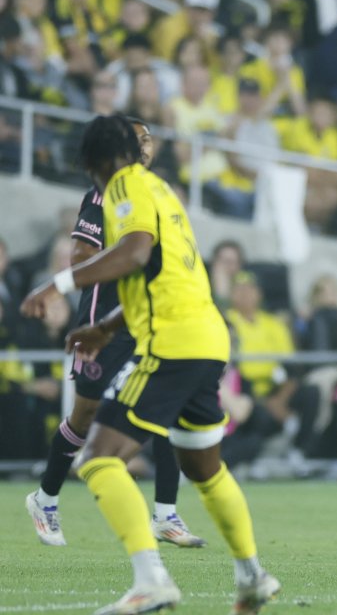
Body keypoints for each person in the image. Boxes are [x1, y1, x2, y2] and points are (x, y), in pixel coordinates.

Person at [20, 115, 279, 615]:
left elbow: (135, 254)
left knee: (98, 459)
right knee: (206, 469)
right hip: (207, 337)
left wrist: (59, 284)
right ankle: (251, 576)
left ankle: (151, 581)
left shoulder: (122, 187)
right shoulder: (161, 190)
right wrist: (106, 328)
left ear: (96, 162)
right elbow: (161, 274)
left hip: (171, 343)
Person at [25, 117, 205, 550]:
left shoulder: (155, 191)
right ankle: (45, 497)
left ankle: (165, 513)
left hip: (144, 321)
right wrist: (123, 257)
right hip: (101, 321)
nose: (144, 146)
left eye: (149, 139)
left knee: (165, 410)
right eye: (136, 140)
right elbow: (82, 253)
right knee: (83, 419)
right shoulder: (105, 193)